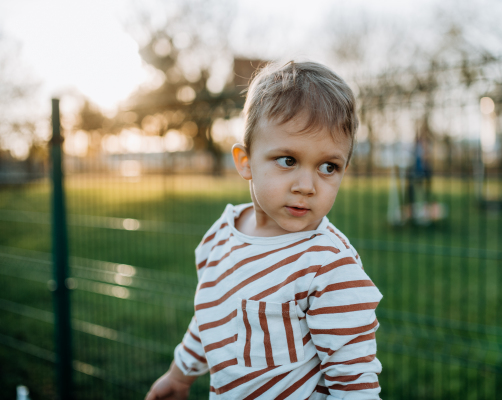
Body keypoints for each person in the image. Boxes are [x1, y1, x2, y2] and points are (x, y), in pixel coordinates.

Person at [145, 61, 383, 400]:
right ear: (246, 162)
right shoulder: (220, 237)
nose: (306, 185)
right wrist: (179, 376)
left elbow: (355, 382)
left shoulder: (328, 264)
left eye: (328, 167)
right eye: (288, 160)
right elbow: (213, 317)